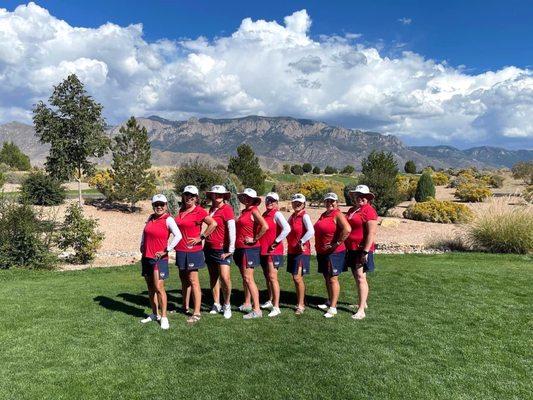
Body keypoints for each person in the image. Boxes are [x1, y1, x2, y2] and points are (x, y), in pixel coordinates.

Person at [174, 185, 217, 324]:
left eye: (192, 196)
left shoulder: (200, 211)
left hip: (193, 251)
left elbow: (213, 224)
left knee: (193, 281)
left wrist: (201, 237)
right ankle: (184, 307)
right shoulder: (181, 211)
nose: (189, 198)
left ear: (196, 198)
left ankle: (197, 312)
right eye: (187, 195)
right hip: (181, 250)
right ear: (183, 196)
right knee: (184, 280)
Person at [140, 194, 182, 330]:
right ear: (153, 206)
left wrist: (167, 250)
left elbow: (178, 236)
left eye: (161, 204)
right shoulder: (150, 218)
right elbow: (144, 233)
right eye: (156, 205)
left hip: (159, 259)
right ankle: (154, 314)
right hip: (146, 258)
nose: (159, 207)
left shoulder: (168, 219)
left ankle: (163, 317)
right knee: (150, 288)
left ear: (166, 205)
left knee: (159, 288)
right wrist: (141, 244)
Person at [314, 192, 351, 318]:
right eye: (327, 201)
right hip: (323, 252)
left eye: (332, 201)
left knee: (333, 278)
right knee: (327, 277)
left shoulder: (338, 214)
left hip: (334, 253)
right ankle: (330, 300)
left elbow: (347, 229)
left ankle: (333, 308)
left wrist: (336, 243)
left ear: (337, 202)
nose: (329, 203)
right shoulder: (324, 215)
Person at [345, 185, 378, 320]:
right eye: (358, 195)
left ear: (368, 198)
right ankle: (362, 303)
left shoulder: (369, 211)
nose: (360, 198)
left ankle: (361, 310)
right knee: (357, 277)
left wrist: (365, 251)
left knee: (360, 277)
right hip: (352, 248)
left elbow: (371, 233)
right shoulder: (353, 210)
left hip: (361, 250)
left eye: (363, 196)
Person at [234, 188, 269, 319]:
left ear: (253, 199)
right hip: (241, 248)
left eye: (248, 197)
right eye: (244, 196)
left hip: (250, 249)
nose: (246, 199)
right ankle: (247, 303)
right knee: (245, 278)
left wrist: (254, 239)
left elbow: (265, 226)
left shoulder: (254, 210)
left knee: (249, 278)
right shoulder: (245, 211)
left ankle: (257, 310)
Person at [204, 185, 235, 319]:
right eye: (215, 195)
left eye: (220, 195)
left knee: (225, 278)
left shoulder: (227, 209)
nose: (217, 197)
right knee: (213, 277)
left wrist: (231, 250)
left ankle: (227, 304)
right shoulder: (211, 209)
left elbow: (232, 229)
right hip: (209, 248)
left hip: (222, 249)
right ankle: (216, 303)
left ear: (224, 196)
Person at [259, 192, 291, 317]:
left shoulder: (277, 214)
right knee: (267, 276)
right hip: (264, 250)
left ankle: (276, 306)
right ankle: (270, 300)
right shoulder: (265, 214)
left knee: (272, 277)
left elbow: (287, 228)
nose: (269, 202)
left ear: (277, 203)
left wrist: (276, 242)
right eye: (268, 200)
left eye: (272, 201)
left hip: (274, 251)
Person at [285, 193, 314, 315]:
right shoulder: (292, 216)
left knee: (297, 277)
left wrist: (301, 241)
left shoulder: (304, 216)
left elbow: (311, 231)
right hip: (292, 251)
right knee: (296, 278)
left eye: (300, 202)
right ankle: (302, 300)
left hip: (301, 251)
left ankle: (301, 305)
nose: (297, 204)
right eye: (295, 202)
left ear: (303, 204)